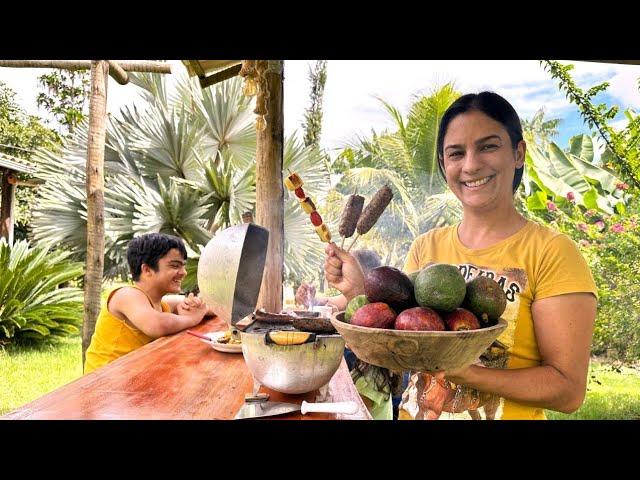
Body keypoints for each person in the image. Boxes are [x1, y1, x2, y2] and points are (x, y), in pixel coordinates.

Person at [323, 91, 598, 420]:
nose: (470, 165)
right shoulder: (427, 246)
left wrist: (467, 371)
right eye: (456, 153)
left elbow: (567, 391)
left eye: (488, 146)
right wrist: (358, 292)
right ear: (443, 164)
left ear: (519, 153)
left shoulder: (552, 252)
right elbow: (403, 338)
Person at [297, 249, 408, 420]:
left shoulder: (374, 364)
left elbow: (351, 412)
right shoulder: (360, 309)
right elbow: (331, 302)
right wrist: (311, 298)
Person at [84, 233, 214, 375]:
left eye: (183, 266)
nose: (183, 272)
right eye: (175, 266)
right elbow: (156, 325)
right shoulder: (126, 295)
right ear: (147, 270)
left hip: (132, 380)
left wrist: (199, 307)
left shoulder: (161, 304)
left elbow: (203, 306)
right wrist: (191, 318)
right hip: (103, 384)